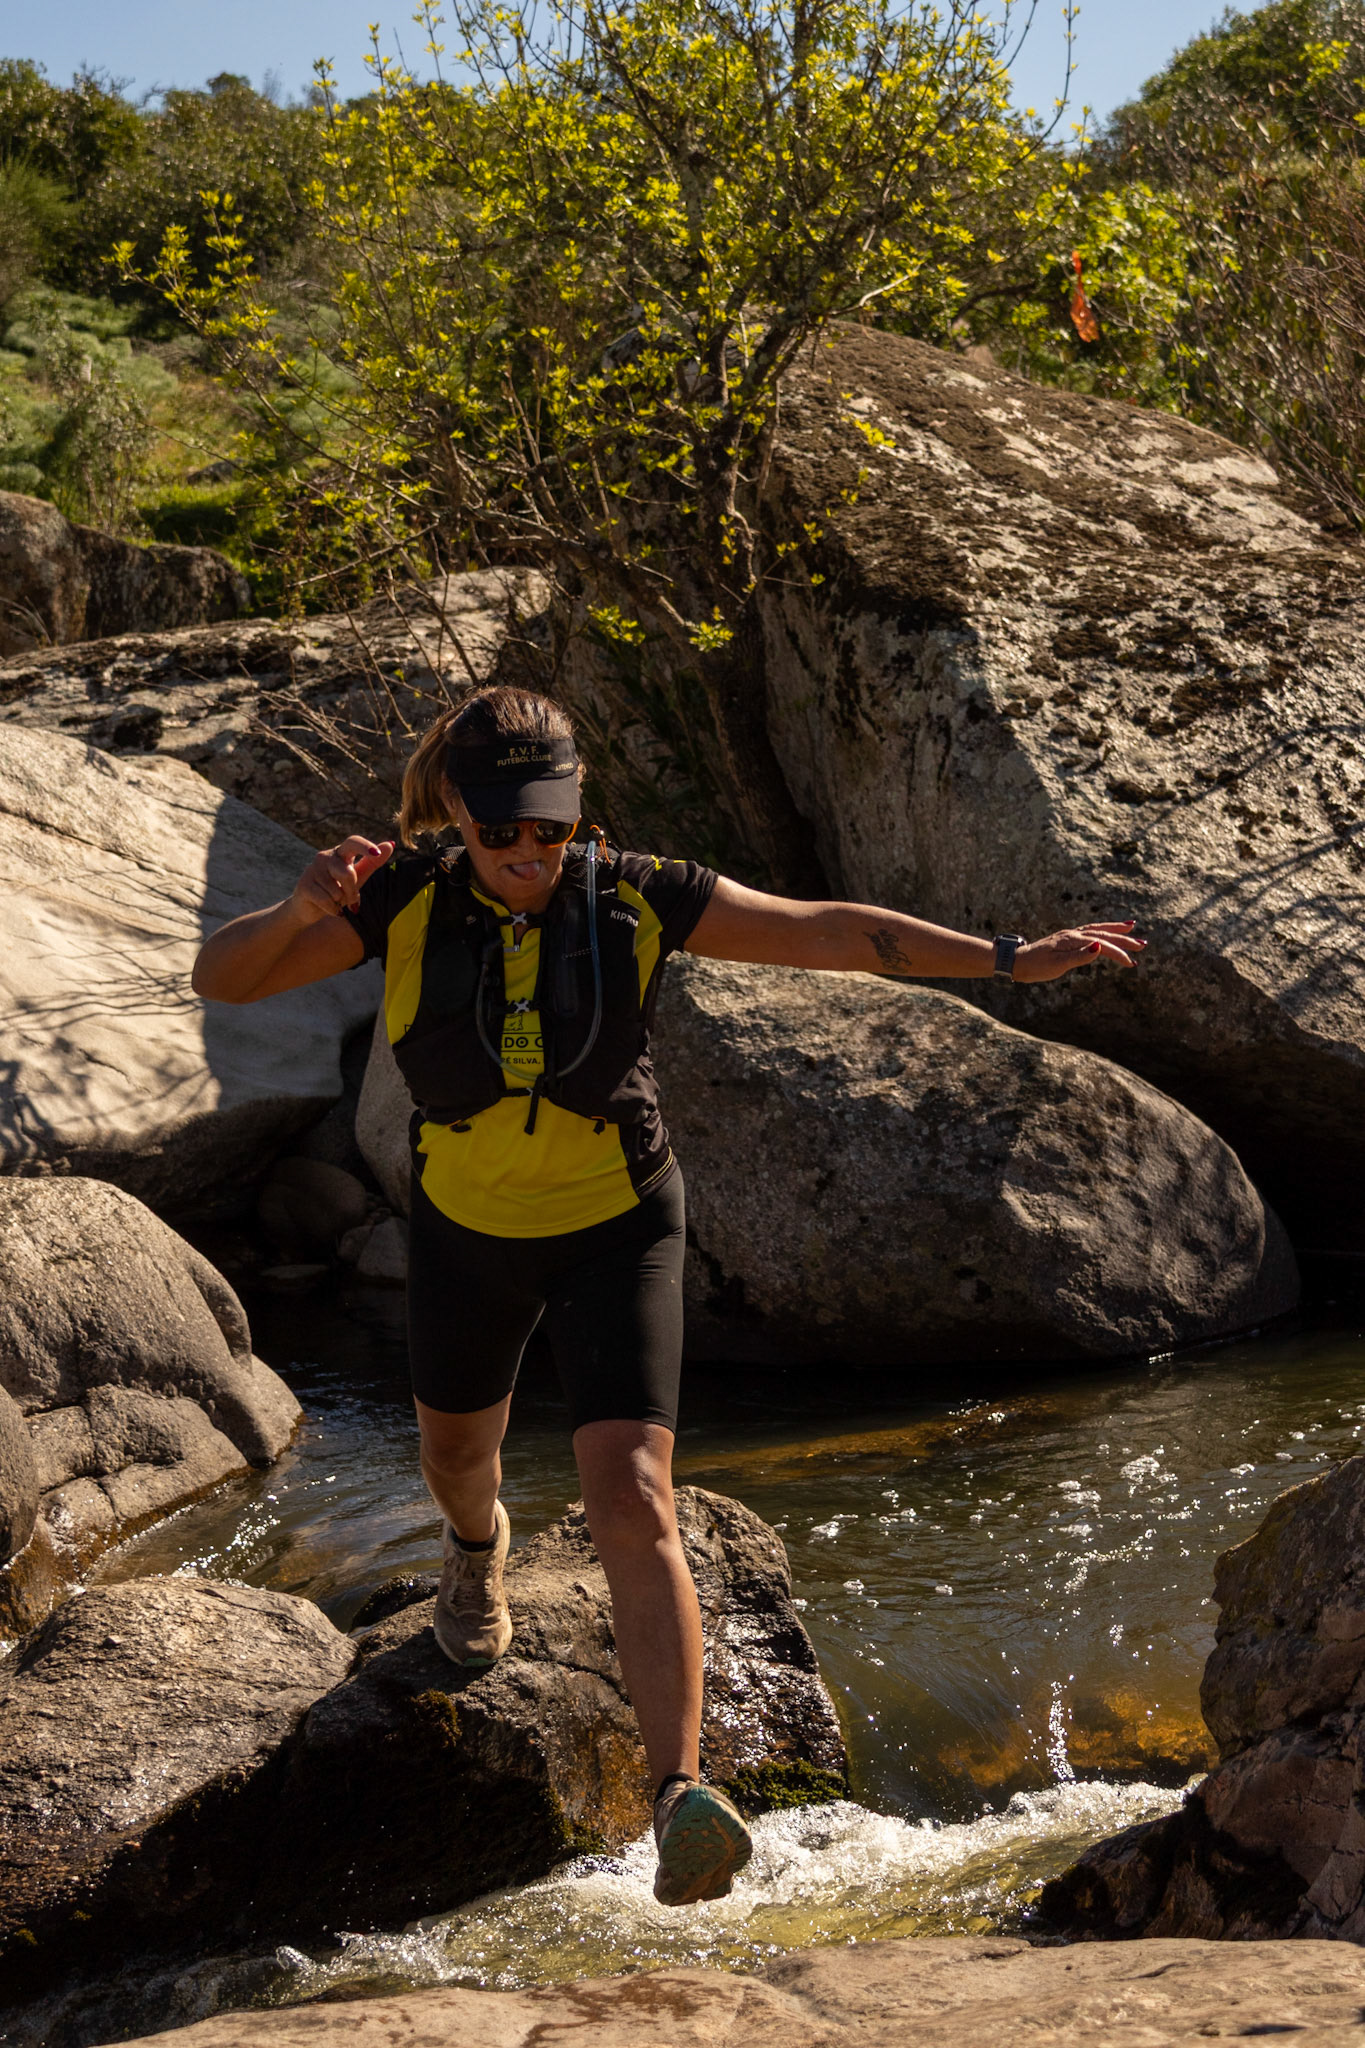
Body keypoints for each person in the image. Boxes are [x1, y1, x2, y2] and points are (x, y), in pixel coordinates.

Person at [193, 684, 1143, 1906]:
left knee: (635, 1492)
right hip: (469, 1233)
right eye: (502, 829)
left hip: (618, 1223)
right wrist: (301, 903)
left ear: (575, 812)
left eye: (548, 827)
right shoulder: (399, 896)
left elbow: (833, 931)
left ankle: (680, 1794)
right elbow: (226, 979)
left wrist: (1011, 957)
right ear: (460, 816)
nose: (528, 851)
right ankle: (476, 1552)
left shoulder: (637, 894)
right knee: (456, 1458)